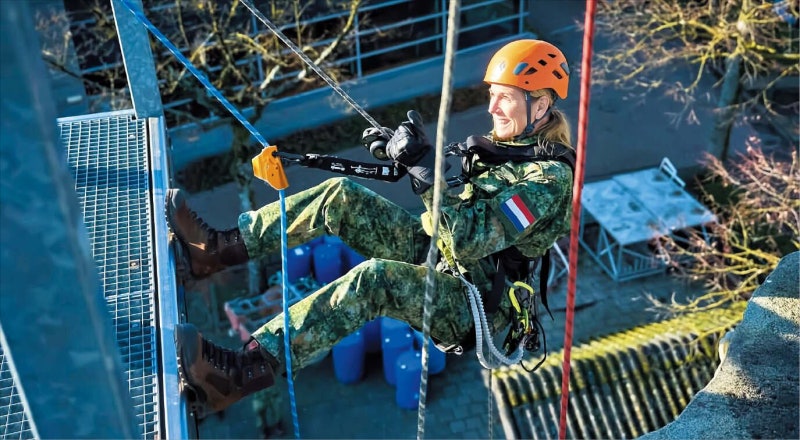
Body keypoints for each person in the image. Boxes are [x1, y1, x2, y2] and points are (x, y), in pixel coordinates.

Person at [169, 39, 575, 418]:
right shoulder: (507, 148)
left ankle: (238, 374)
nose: (493, 108)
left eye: (505, 97)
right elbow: (452, 204)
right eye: (492, 95)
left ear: (539, 106)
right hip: (445, 254)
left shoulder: (548, 181)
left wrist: (422, 174)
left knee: (375, 280)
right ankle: (211, 250)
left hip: (477, 301)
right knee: (338, 197)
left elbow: (469, 238)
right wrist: (402, 157)